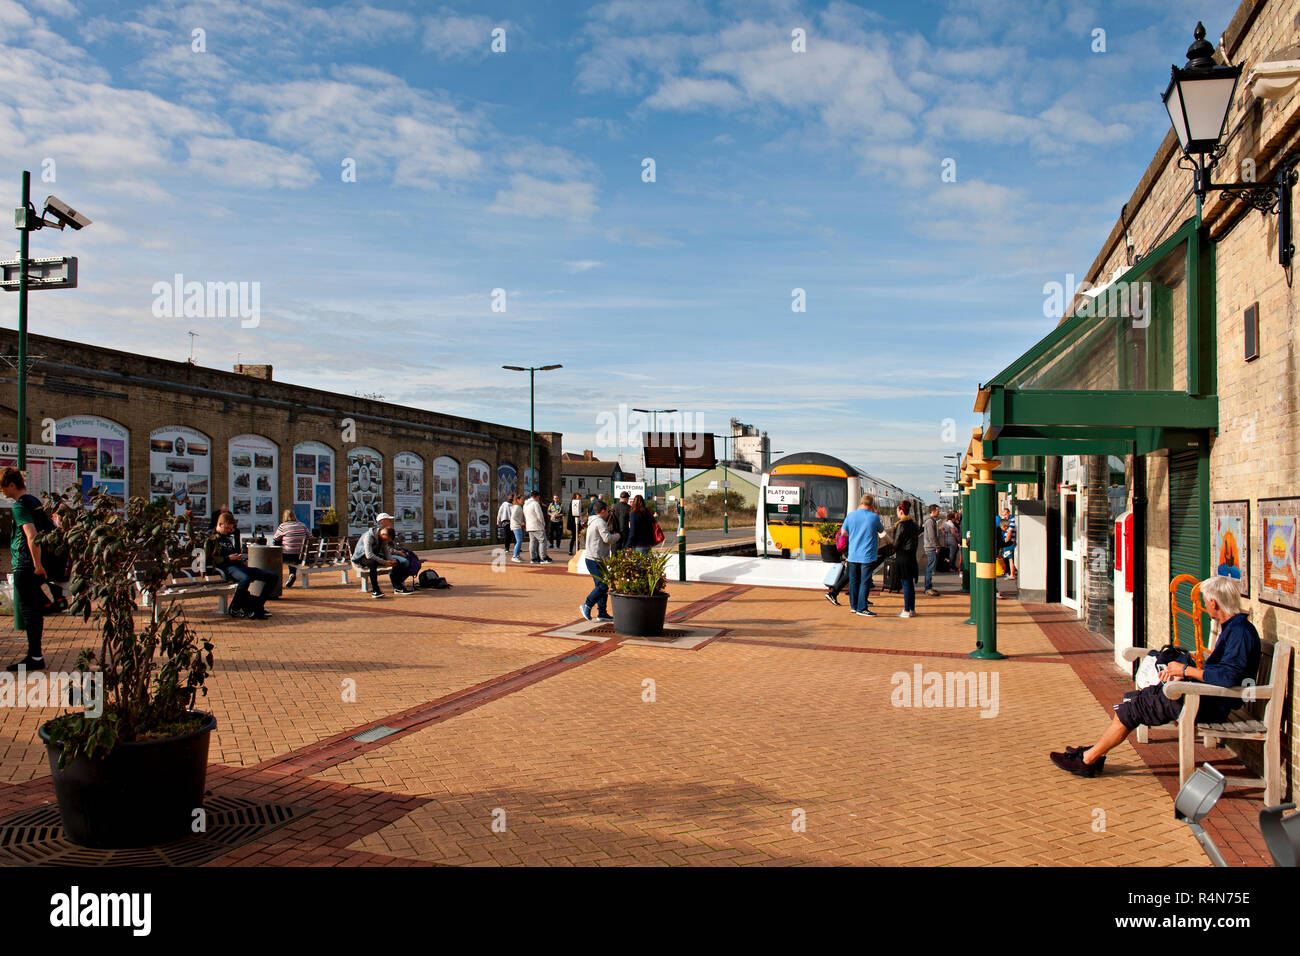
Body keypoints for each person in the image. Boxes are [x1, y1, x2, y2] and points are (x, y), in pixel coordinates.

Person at [1050, 575, 1260, 778]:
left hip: (1211, 705)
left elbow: (1227, 677)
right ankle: (1094, 752)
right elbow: (1221, 671)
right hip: (1206, 697)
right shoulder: (1234, 628)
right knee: (1133, 700)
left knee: (1133, 707)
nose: (1204, 607)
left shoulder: (1240, 632)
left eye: (1205, 602)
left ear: (1214, 603)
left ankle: (1088, 759)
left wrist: (1185, 672)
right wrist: (1183, 675)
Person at [2, 468, 55, 671]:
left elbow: (32, 535)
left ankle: (34, 656)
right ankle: (35, 654)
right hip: (35, 563)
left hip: (26, 564)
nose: (2, 491)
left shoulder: (20, 506)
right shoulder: (34, 501)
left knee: (29, 612)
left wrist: (37, 564)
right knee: (34, 610)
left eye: (3, 487)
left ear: (12, 485)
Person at [205, 511, 275, 619]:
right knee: (245, 579)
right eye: (227, 528)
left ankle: (257, 606)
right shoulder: (212, 539)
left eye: (231, 528)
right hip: (227, 568)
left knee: (272, 576)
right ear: (220, 524)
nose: (229, 531)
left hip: (239, 566)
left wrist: (238, 556)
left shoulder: (227, 538)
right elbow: (209, 559)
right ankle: (235, 607)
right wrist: (228, 558)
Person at [841, 494, 884, 617]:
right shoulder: (873, 517)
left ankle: (853, 606)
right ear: (871, 505)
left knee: (854, 581)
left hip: (853, 554)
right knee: (864, 582)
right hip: (867, 555)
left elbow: (843, 533)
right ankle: (862, 608)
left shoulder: (851, 516)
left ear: (860, 502)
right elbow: (881, 531)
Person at [579, 500, 620, 621]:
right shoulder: (600, 522)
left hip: (594, 557)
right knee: (603, 585)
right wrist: (617, 536)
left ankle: (602, 612)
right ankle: (587, 604)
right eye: (607, 510)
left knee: (601, 585)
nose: (608, 513)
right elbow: (607, 539)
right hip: (595, 559)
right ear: (602, 511)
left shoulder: (592, 521)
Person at [351, 522, 409, 597]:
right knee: (373, 563)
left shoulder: (383, 538)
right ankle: (376, 590)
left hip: (373, 556)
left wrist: (391, 560)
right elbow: (369, 555)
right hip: (361, 557)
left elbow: (386, 551)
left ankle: (398, 587)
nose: (387, 541)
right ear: (383, 534)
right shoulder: (368, 537)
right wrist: (384, 562)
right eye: (387, 539)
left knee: (396, 562)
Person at [893, 501, 920, 617]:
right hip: (911, 557)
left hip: (903, 557)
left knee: (905, 584)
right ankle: (912, 609)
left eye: (897, 512)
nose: (897, 514)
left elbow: (896, 544)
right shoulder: (913, 525)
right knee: (910, 584)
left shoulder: (901, 525)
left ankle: (906, 610)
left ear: (901, 511)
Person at [272, 509, 310, 588]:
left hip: (287, 556)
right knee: (293, 549)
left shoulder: (283, 526)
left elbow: (275, 539)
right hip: (301, 556)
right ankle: (292, 574)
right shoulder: (302, 525)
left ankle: (275, 578)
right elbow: (311, 538)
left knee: (283, 548)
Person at [524, 491, 551, 564]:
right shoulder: (535, 504)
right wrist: (543, 523)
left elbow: (525, 515)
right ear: (537, 496)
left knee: (532, 542)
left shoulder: (526, 504)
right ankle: (543, 557)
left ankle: (533, 558)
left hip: (529, 526)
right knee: (542, 541)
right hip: (537, 525)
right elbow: (540, 515)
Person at [922, 504, 942, 596]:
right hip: (930, 547)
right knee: (930, 568)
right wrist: (936, 546)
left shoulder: (931, 521)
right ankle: (928, 588)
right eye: (938, 511)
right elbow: (932, 536)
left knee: (930, 567)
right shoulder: (930, 522)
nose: (939, 512)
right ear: (933, 511)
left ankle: (928, 586)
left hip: (930, 546)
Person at [509, 494, 525, 562]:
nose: (522, 501)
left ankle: (517, 555)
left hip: (516, 525)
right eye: (521, 499)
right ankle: (515, 556)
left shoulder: (517, 506)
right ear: (518, 500)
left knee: (519, 541)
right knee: (519, 541)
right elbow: (513, 517)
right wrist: (520, 522)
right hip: (516, 526)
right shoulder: (517, 507)